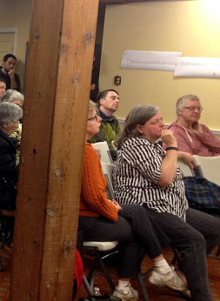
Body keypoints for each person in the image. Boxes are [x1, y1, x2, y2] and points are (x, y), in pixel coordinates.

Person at [81, 101, 187, 300]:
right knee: (138, 226)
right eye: (94, 117)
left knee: (137, 214)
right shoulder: (86, 151)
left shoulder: (88, 149)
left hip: (94, 210)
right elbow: (93, 198)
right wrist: (111, 209)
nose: (100, 119)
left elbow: (96, 194)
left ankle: (128, 286)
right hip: (87, 218)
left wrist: (109, 203)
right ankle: (150, 273)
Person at [114, 104, 220, 300]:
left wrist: (175, 152)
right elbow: (164, 178)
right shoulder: (135, 145)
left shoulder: (152, 145)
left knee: (215, 227)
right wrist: (172, 146)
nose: (163, 124)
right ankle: (203, 297)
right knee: (194, 239)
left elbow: (165, 166)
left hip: (172, 206)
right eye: (155, 122)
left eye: (162, 119)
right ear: (139, 128)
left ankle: (180, 274)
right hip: (148, 207)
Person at [88, 89, 121, 160]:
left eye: (118, 99)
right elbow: (103, 144)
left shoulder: (114, 120)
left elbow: (120, 140)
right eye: (113, 98)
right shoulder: (94, 119)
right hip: (103, 158)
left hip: (114, 157)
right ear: (102, 101)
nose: (117, 101)